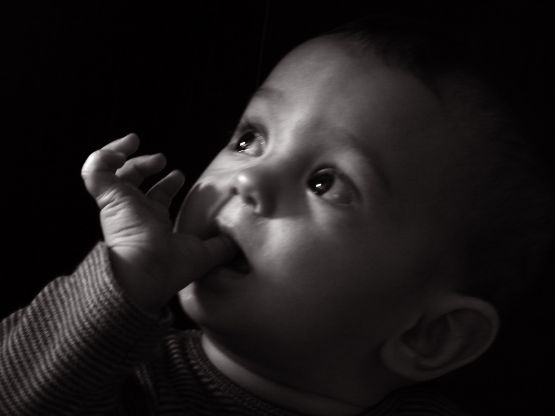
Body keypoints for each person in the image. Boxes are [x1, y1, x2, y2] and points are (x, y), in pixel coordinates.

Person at [1, 15, 553, 416]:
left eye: (324, 182)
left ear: (428, 335)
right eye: (249, 139)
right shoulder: (119, 374)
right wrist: (121, 278)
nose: (248, 179)